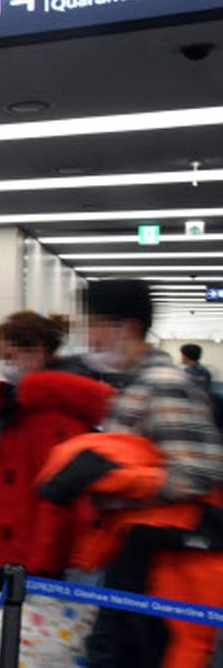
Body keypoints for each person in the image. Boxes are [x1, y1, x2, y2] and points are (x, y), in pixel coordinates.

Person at [77, 280, 223, 668]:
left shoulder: (164, 385)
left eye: (94, 324)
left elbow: (195, 474)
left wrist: (110, 483)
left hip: (162, 556)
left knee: (132, 650)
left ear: (125, 327)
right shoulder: (136, 385)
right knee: (114, 647)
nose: (88, 337)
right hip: (133, 545)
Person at [0, 311, 115, 576]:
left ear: (37, 352)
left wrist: (41, 566)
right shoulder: (25, 403)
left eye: (10, 357)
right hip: (20, 540)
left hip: (30, 552)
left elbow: (58, 496)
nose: (5, 366)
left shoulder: (51, 415)